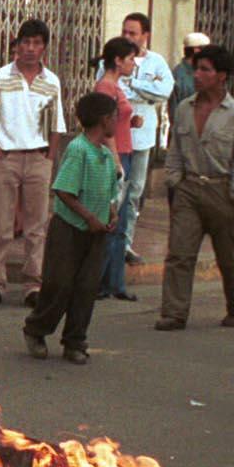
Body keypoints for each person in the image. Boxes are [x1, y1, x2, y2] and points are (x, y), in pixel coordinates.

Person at [156, 45, 234, 330]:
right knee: (179, 253)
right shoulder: (186, 109)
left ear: (221, 75)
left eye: (205, 70)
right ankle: (174, 312)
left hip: (222, 190)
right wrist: (174, 180)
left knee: (230, 256)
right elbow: (175, 149)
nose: (198, 75)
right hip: (188, 188)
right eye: (197, 68)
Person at [23, 91, 122, 365]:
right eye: (115, 117)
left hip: (97, 232)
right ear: (104, 120)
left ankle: (75, 340)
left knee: (86, 287)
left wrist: (110, 213)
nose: (118, 122)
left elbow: (111, 192)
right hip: (70, 228)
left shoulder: (104, 154)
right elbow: (64, 191)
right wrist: (88, 216)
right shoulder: (79, 150)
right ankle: (36, 329)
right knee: (59, 283)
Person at [0, 20, 64, 308]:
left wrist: (49, 158)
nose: (30, 48)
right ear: (17, 45)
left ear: (44, 47)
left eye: (36, 43)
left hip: (38, 157)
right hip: (7, 157)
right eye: (25, 42)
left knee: (37, 227)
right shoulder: (1, 77)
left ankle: (33, 283)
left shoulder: (51, 81)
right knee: (1, 225)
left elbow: (55, 125)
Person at [115, 13, 174, 267]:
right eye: (125, 32)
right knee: (116, 191)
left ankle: (125, 243)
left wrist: (135, 83)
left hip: (143, 137)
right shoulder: (114, 57)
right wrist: (145, 92)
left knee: (134, 192)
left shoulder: (157, 62)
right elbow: (111, 90)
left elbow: (164, 91)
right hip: (117, 136)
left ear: (145, 35)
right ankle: (109, 244)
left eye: (133, 33)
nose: (128, 37)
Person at [93, 36, 141, 302]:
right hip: (116, 154)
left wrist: (132, 121)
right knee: (111, 219)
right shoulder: (105, 88)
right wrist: (114, 159)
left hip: (125, 151)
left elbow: (119, 119)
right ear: (117, 60)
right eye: (130, 58)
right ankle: (101, 282)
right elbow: (105, 125)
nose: (133, 63)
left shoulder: (117, 87)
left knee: (120, 221)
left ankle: (115, 283)